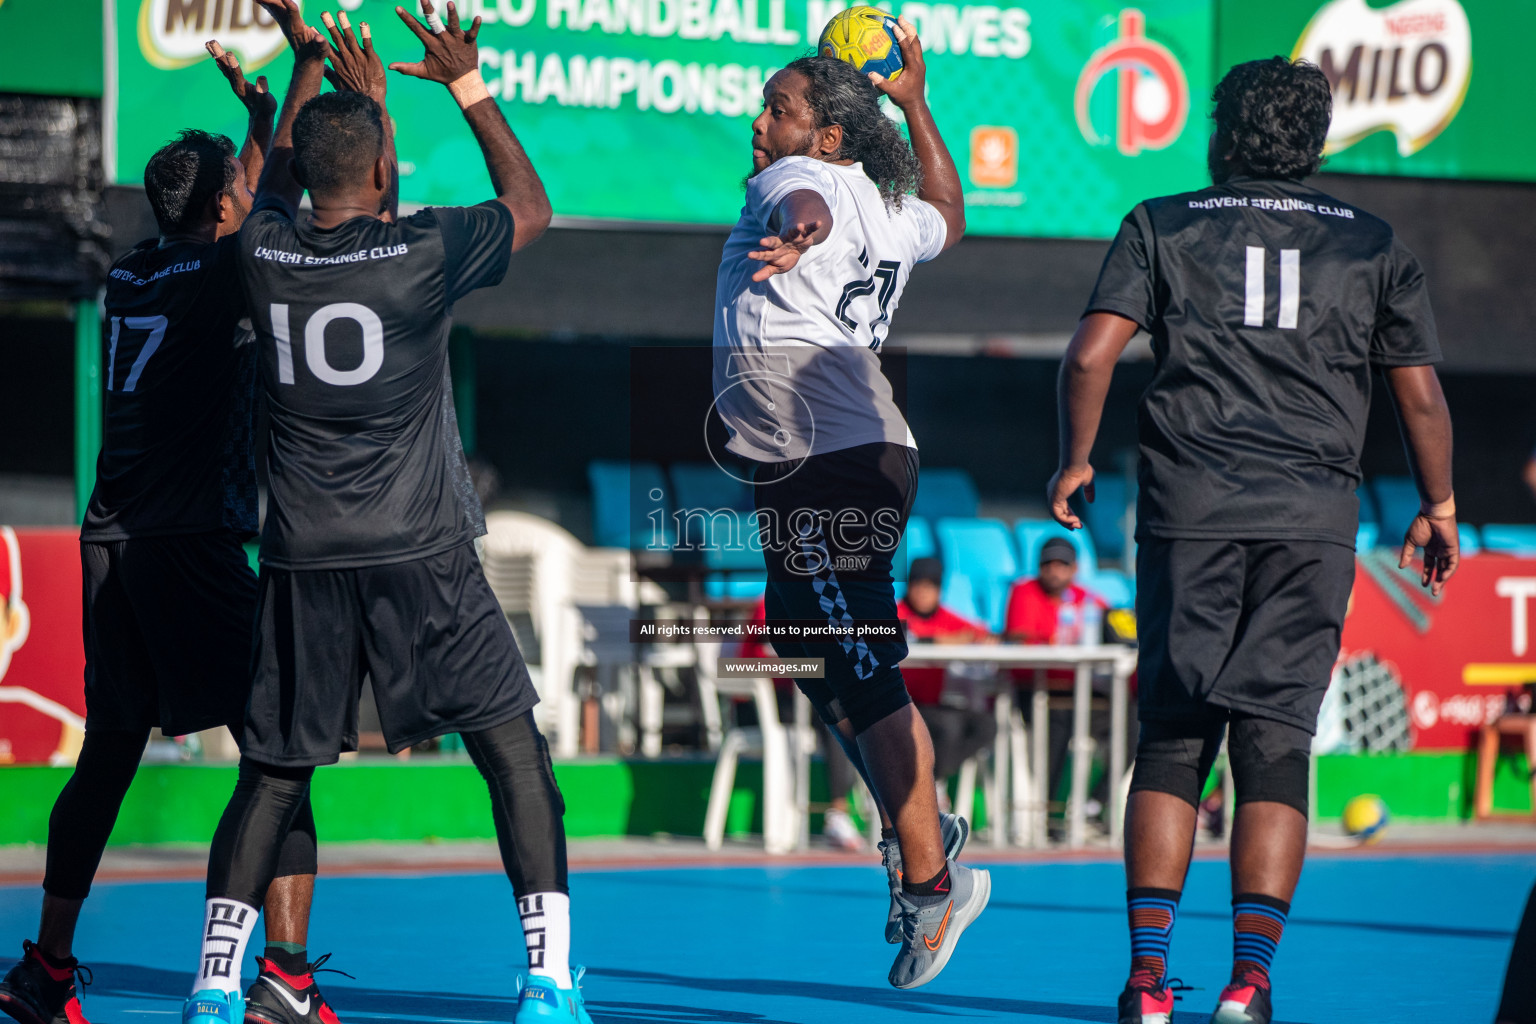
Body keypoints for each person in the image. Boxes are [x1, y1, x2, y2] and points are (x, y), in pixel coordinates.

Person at [183, 3, 585, 1024]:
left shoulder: (260, 255)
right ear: (381, 176)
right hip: (423, 554)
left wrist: (310, 70)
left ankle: (213, 988)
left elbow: (278, 184)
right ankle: (547, 981)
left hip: (303, 560)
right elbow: (529, 207)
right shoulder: (419, 252)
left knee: (272, 777)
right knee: (513, 756)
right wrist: (467, 87)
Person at [1047, 57, 1458, 1024]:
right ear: (1314, 140)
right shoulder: (1375, 245)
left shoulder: (1161, 222)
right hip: (1310, 520)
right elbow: (1422, 396)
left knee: (1175, 736)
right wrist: (1437, 506)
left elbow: (1089, 353)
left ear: (1225, 133)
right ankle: (1248, 983)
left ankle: (1147, 985)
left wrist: (1074, 460)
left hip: (1188, 510)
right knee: (1277, 747)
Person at [0, 52, 332, 1024]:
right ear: (226, 209)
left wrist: (260, 117)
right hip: (190, 542)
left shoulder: (134, 271)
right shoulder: (226, 269)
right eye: (237, 186)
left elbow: (241, 201)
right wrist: (307, 68)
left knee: (108, 751)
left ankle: (47, 971)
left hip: (113, 543)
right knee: (280, 750)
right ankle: (283, 976)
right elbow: (268, 203)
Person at [710, 20, 986, 990]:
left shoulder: (807, 186)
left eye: (778, 108)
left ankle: (931, 880)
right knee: (811, 653)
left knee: (860, 668)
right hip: (832, 461)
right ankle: (927, 827)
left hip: (831, 463)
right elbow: (952, 211)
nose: (760, 120)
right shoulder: (887, 203)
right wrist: (915, 102)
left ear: (827, 135)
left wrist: (797, 235)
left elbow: (801, 202)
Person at [896, 558, 996, 809]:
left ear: (939, 591)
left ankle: (932, 782)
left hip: (932, 702)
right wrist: (941, 641)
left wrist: (983, 638)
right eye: (917, 585)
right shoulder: (894, 611)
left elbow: (980, 633)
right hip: (898, 705)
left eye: (929, 586)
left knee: (985, 725)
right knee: (948, 725)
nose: (922, 592)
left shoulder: (947, 616)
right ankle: (928, 789)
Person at [1003, 537, 1106, 646]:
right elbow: (1018, 637)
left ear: (1074, 568)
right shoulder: (1025, 590)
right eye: (1047, 564)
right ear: (1039, 567)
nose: (1053, 571)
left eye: (1062, 564)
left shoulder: (1087, 598)